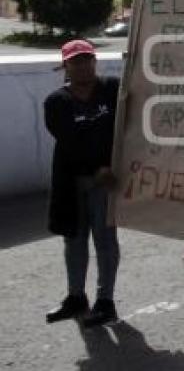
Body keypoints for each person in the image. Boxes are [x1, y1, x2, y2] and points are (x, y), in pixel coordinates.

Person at [44, 40, 121, 327]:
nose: (83, 65)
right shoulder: (56, 102)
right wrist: (96, 166)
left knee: (106, 240)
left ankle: (106, 301)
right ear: (65, 66)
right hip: (71, 181)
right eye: (76, 61)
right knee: (74, 240)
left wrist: (110, 168)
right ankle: (76, 297)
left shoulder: (112, 89)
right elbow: (69, 141)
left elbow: (130, 121)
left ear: (95, 61)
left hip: (107, 181)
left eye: (88, 59)